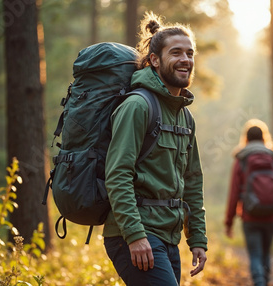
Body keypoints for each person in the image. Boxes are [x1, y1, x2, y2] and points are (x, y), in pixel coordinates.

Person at [103, 12, 207, 286]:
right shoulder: (138, 106)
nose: (186, 60)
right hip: (134, 234)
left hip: (168, 237)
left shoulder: (185, 117)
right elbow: (118, 174)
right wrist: (135, 236)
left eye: (190, 53)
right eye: (176, 53)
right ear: (155, 60)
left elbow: (192, 180)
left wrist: (197, 237)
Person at [224, 119, 273, 286]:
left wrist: (229, 222)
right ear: (264, 137)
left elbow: (233, 193)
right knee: (266, 254)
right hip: (271, 215)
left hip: (250, 216)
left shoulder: (241, 160)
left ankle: (259, 282)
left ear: (245, 138)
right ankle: (265, 282)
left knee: (255, 254)